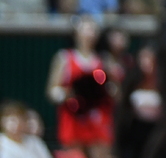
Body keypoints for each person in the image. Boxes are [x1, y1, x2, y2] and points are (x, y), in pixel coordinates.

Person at [46, 17, 119, 158]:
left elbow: (116, 91)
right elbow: (52, 91)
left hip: (98, 117)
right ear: (76, 33)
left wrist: (106, 90)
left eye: (93, 30)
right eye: (85, 29)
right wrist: (68, 94)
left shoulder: (105, 60)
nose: (89, 34)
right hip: (74, 116)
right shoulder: (64, 58)